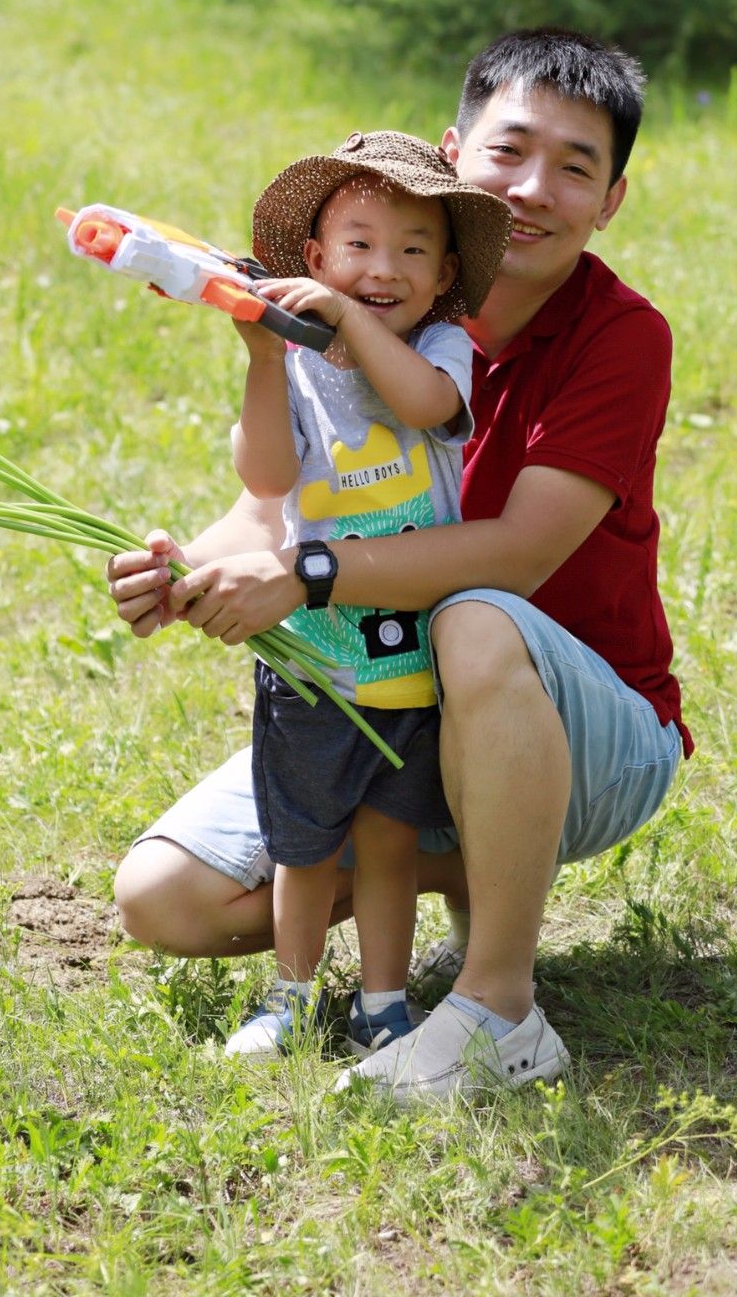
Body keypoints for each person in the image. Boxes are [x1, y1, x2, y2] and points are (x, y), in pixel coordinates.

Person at [108, 29, 691, 1104]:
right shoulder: (369, 312)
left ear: (610, 200)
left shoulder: (620, 336)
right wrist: (185, 567)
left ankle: (500, 1005)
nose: (533, 188)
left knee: (474, 611)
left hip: (581, 722)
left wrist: (311, 575)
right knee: (163, 897)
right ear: (452, 150)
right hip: (390, 702)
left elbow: (517, 554)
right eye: (510, 150)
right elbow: (270, 506)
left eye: (576, 167)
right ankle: (442, 860)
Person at [224, 132, 513, 1059]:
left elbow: (425, 408)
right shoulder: (298, 361)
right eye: (357, 245)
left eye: (412, 250)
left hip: (411, 648)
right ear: (313, 261)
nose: (382, 269)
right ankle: (291, 994)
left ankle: (382, 1001)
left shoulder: (440, 348)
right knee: (304, 844)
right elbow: (267, 478)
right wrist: (265, 357)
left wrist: (347, 325)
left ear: (444, 277)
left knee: (389, 838)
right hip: (314, 646)